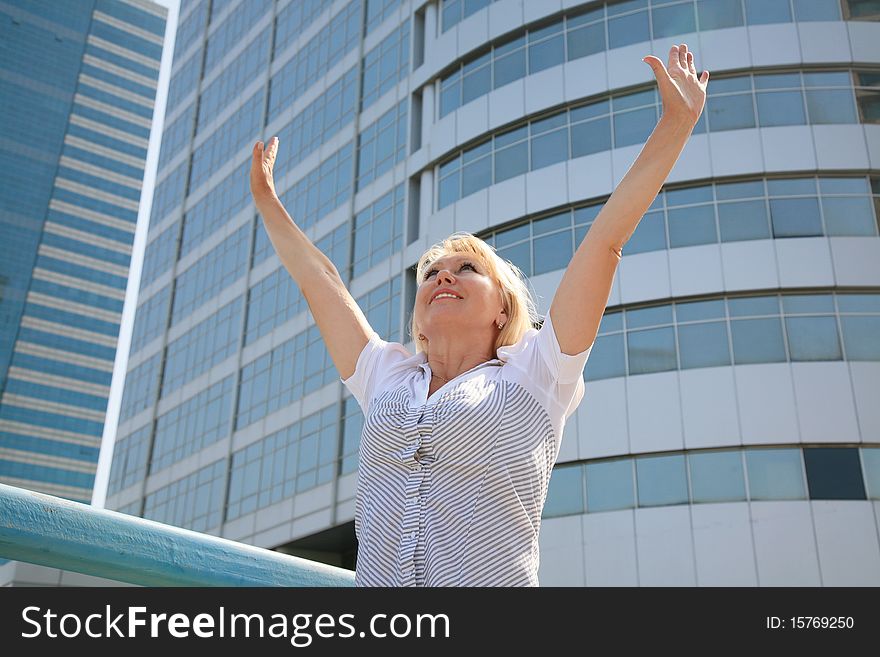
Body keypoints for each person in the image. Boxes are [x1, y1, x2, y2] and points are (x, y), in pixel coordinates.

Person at [250, 44, 709, 586]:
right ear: (418, 319)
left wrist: (676, 124)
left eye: (465, 268)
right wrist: (266, 199)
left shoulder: (539, 371)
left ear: (503, 308)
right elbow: (320, 283)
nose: (442, 275)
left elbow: (605, 241)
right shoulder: (386, 376)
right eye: (430, 273)